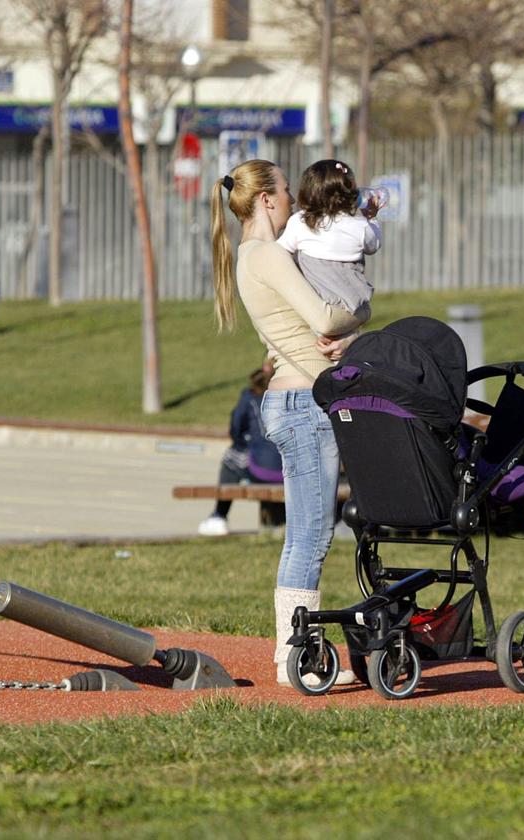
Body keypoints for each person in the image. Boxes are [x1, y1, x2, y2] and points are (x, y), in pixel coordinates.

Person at [210, 158, 370, 686]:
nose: (296, 202)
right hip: (305, 407)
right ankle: (292, 654)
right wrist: (363, 311)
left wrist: (344, 339)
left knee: (309, 531)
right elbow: (326, 317)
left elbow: (284, 339)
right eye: (287, 191)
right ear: (266, 201)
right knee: (309, 534)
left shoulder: (253, 257)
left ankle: (297, 649)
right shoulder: (269, 256)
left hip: (295, 400)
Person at [276, 158, 381, 319]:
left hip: (314, 301)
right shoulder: (360, 226)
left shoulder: (300, 221)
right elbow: (374, 245)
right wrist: (371, 218)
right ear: (352, 195)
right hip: (351, 302)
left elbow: (280, 252)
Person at [197, 366, 284, 537]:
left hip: (263, 470)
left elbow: (235, 428)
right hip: (292, 470)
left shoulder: (250, 397)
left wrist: (242, 442)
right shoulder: (291, 393)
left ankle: (219, 516)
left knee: (231, 457)